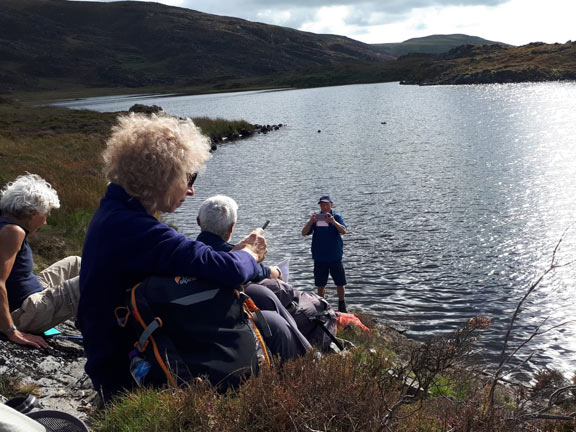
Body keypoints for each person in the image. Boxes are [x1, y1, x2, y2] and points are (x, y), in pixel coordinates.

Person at [78, 113, 283, 401]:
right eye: (189, 177)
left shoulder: (116, 213)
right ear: (162, 175)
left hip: (117, 353)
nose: (191, 189)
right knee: (269, 324)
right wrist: (250, 253)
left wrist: (227, 260)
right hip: (126, 374)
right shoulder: (137, 229)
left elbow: (190, 259)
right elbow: (231, 271)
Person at [196, 195, 311, 356]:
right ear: (231, 228)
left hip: (197, 319)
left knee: (259, 293)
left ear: (198, 221)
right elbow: (256, 271)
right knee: (271, 314)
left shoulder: (189, 252)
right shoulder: (229, 259)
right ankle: (307, 359)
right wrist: (275, 271)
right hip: (223, 320)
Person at [0, 174, 81, 350]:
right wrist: (11, 331)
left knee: (76, 262)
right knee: (95, 278)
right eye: (45, 214)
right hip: (27, 311)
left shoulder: (7, 224)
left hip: (32, 294)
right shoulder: (12, 231)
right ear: (31, 213)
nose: (45, 221)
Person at [301, 195, 348, 313]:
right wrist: (311, 221)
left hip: (335, 256)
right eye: (322, 205)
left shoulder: (336, 216)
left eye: (326, 204)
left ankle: (342, 304)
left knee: (340, 282)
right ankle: (321, 304)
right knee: (320, 284)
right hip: (320, 257)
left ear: (331, 204)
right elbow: (304, 233)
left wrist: (333, 221)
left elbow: (344, 231)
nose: (324, 207)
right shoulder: (316, 218)